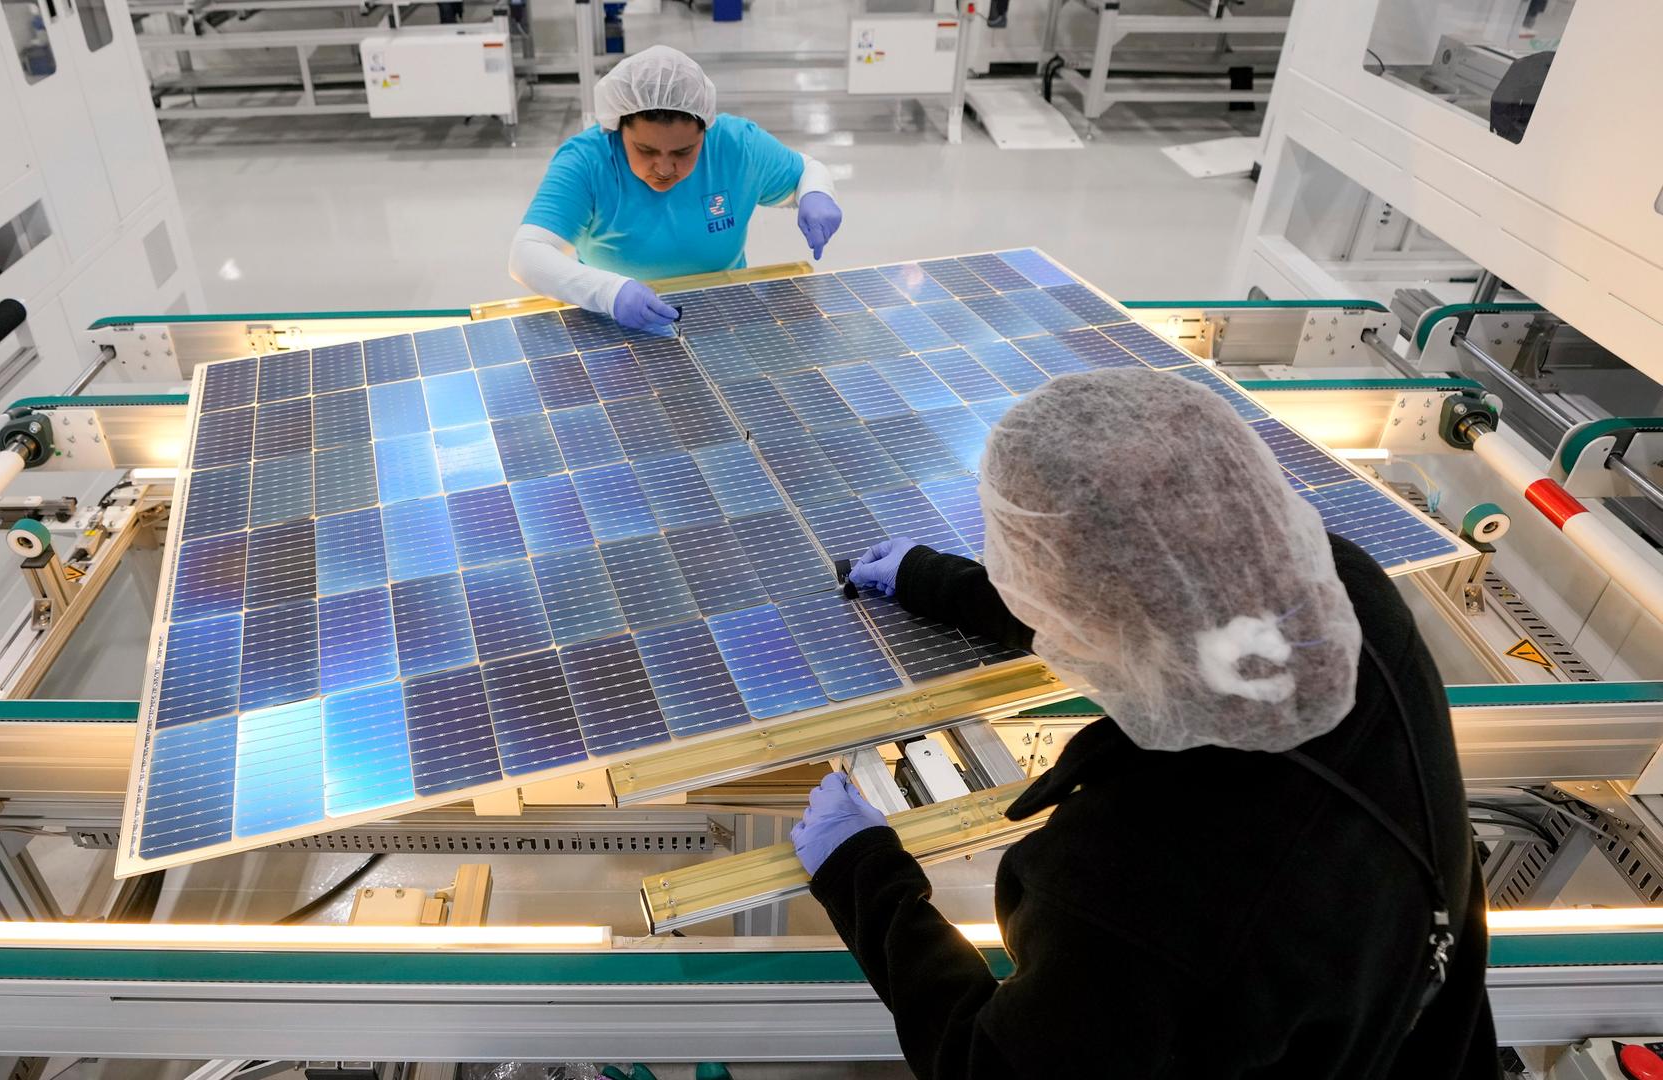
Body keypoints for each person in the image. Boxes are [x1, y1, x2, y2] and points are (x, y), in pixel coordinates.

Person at [793, 370, 1500, 1079]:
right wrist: (934, 581)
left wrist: (862, 875)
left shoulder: (1134, 896)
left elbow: (988, 1066)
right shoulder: (1346, 595)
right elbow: (1151, 598)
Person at [508, 46, 843, 337]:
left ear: (706, 130)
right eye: (646, 150)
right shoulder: (588, 161)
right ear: (617, 127)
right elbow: (527, 255)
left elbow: (807, 169)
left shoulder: (736, 146)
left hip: (724, 318)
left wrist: (816, 193)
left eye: (683, 152)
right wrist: (609, 292)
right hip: (616, 325)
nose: (665, 168)